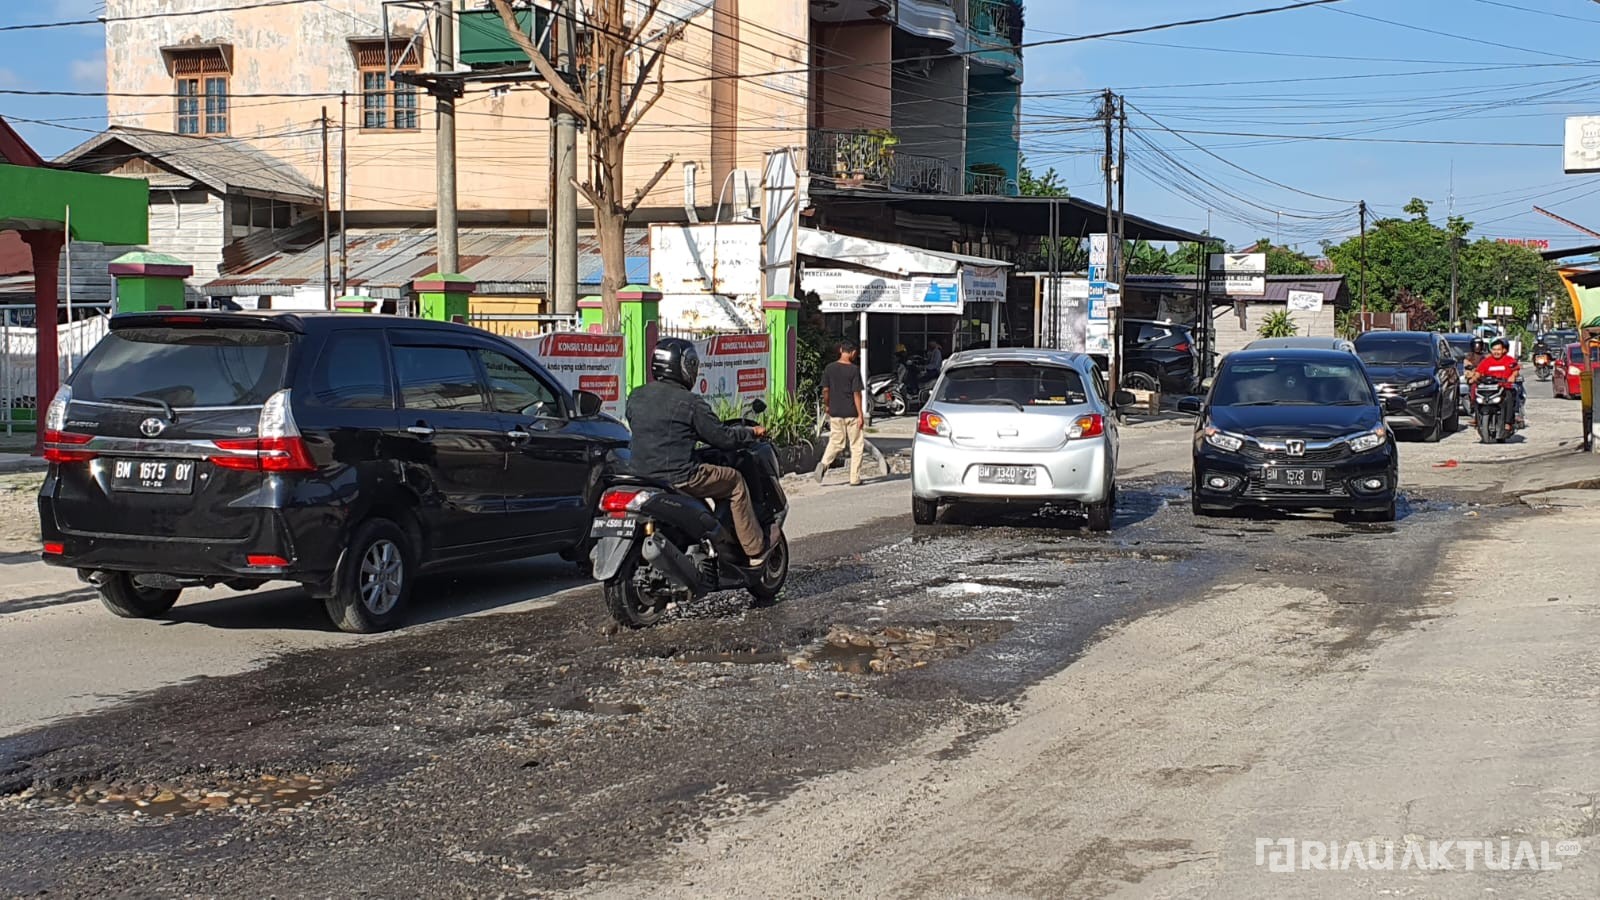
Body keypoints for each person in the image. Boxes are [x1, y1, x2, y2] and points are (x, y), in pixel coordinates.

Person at [625, 338, 774, 566]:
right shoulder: (691, 402)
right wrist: (752, 432)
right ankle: (755, 550)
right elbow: (722, 437)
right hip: (679, 477)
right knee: (734, 481)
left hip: (640, 476)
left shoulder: (636, 396)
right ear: (684, 367)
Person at [816, 340, 867, 486]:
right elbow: (857, 394)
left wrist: (827, 405)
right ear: (852, 352)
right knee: (856, 445)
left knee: (836, 442)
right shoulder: (854, 370)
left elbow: (825, 390)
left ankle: (824, 463)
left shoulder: (829, 368)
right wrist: (860, 414)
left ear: (840, 350)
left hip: (835, 411)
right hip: (851, 411)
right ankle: (854, 478)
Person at [1474, 339, 1522, 435]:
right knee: (1477, 398)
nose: (1496, 352)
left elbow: (1516, 370)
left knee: (1509, 397)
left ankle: (1508, 423)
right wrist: (1474, 377)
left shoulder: (1509, 360)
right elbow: (1478, 372)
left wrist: (1512, 376)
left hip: (1504, 388)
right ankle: (1477, 419)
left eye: (1498, 350)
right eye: (1494, 350)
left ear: (1503, 350)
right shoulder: (1486, 361)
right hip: (1489, 389)